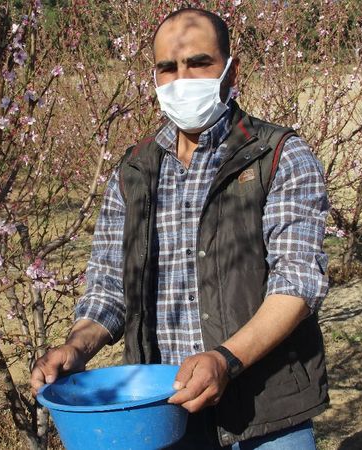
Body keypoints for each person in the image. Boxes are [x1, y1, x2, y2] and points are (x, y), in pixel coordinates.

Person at [31, 7, 329, 449]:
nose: (182, 78)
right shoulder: (134, 170)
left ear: (230, 71)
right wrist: (76, 347)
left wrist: (225, 360)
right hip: (163, 409)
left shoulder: (279, 156)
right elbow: (110, 288)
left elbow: (298, 282)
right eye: (167, 67)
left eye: (199, 63)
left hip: (267, 407)